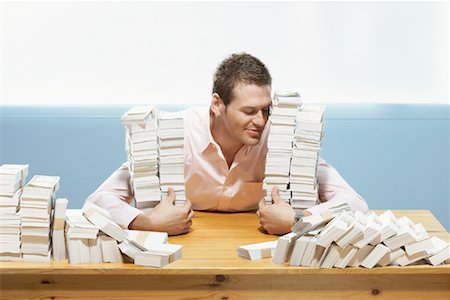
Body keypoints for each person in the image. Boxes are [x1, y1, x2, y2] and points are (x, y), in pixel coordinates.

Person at [86, 53, 369, 235]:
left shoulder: (282, 139)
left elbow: (355, 203)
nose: (261, 120)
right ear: (217, 105)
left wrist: (298, 218)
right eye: (248, 111)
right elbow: (98, 201)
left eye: (266, 109)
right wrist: (147, 222)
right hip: (186, 259)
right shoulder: (175, 135)